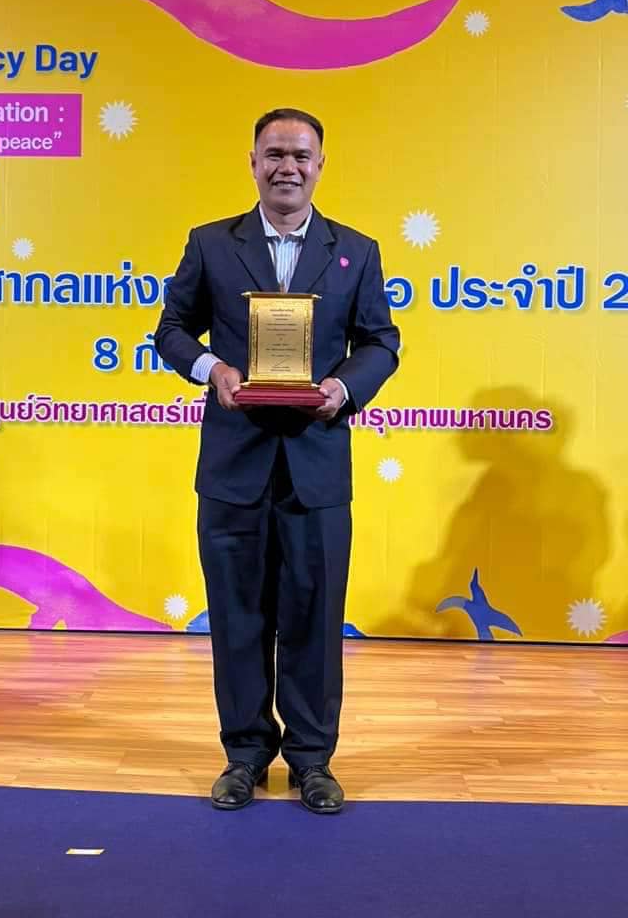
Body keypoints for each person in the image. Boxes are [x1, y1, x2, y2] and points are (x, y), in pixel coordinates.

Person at [155, 107, 400, 814]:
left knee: (315, 620)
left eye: (299, 155)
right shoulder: (211, 244)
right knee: (236, 618)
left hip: (317, 470)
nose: (286, 167)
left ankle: (313, 762)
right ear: (253, 162)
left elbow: (380, 342)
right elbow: (171, 329)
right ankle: (244, 757)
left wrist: (342, 388)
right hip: (233, 467)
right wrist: (212, 370)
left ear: (320, 166)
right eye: (274, 154)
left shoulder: (356, 250)